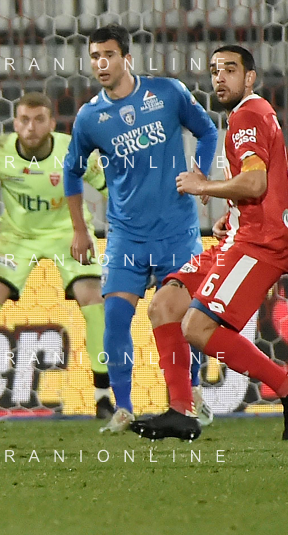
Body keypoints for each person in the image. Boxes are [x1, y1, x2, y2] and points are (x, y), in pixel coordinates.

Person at [130, 45, 288, 441]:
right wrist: (232, 212)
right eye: (215, 70)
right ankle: (182, 412)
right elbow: (260, 184)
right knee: (165, 305)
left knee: (197, 327)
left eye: (230, 70)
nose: (220, 77)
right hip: (239, 236)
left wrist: (203, 186)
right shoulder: (251, 114)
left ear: (250, 77)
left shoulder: (248, 115)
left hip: (258, 246)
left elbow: (255, 182)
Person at [63, 25, 219, 434]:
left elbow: (206, 130)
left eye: (109, 55)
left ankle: (190, 392)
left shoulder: (167, 93)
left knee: (186, 317)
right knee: (114, 317)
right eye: (95, 56)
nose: (101, 63)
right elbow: (71, 170)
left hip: (177, 230)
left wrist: (201, 174)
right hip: (126, 235)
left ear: (127, 58)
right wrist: (80, 230)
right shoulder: (90, 117)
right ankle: (124, 407)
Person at [0, 92, 112, 420]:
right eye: (25, 120)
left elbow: (112, 191)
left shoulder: (75, 152)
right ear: (15, 123)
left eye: (39, 120)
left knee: (94, 303)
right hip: (17, 237)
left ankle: (103, 398)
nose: (31, 127)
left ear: (52, 123)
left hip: (69, 233)